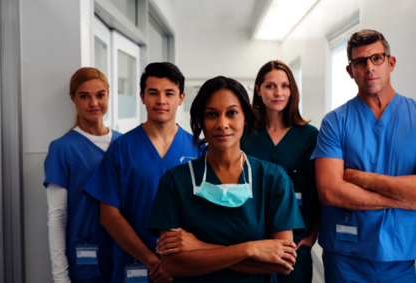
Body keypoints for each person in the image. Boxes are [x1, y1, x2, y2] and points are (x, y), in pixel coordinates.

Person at [312, 29, 416, 282]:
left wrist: (359, 178)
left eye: (376, 58)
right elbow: (330, 191)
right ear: (350, 71)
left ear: (391, 62)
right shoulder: (335, 123)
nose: (369, 67)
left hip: (401, 259)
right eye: (360, 62)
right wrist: (399, 201)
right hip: (345, 260)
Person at [147, 76, 305, 283]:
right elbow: (171, 265)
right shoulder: (175, 182)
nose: (222, 124)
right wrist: (251, 249)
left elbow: (281, 264)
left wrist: (201, 247)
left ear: (245, 118)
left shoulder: (273, 179)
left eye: (232, 113)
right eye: (211, 114)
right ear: (201, 121)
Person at [83, 62, 201, 283]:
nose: (161, 101)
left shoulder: (199, 150)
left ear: (182, 98)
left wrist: (175, 264)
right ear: (142, 96)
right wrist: (153, 262)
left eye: (169, 93)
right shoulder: (121, 148)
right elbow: (108, 216)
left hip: (186, 268)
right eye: (153, 93)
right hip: (134, 267)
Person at [240, 60, 320, 283]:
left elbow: (319, 191)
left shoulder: (310, 136)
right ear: (258, 90)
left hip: (295, 241)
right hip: (252, 240)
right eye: (270, 86)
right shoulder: (244, 135)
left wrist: (313, 234)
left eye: (285, 86)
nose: (279, 93)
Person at [44, 67, 121, 283]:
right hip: (86, 262)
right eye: (84, 96)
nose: (94, 103)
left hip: (125, 256)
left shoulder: (125, 144)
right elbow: (57, 217)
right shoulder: (62, 149)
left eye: (100, 95)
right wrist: (60, 277)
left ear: (108, 94)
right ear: (73, 98)